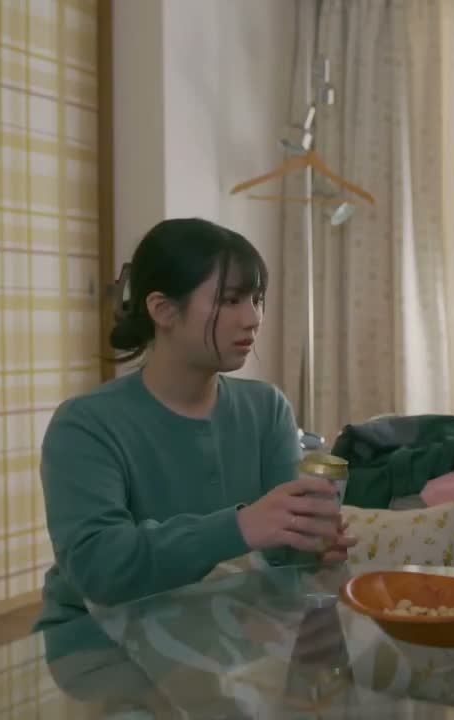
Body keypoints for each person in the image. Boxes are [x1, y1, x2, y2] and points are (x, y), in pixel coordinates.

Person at [35, 218, 355, 633]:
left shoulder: (267, 408)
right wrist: (239, 526)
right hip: (99, 639)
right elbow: (100, 568)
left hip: (226, 628)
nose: (253, 317)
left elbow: (281, 552)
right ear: (163, 309)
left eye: (256, 299)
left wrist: (312, 546)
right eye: (230, 300)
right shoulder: (86, 425)